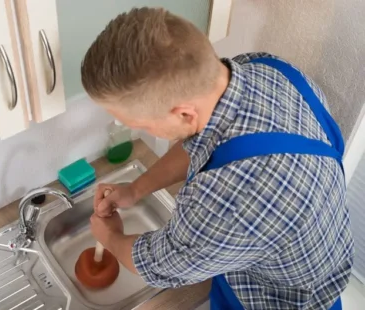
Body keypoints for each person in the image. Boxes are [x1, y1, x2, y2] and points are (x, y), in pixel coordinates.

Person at [81, 7, 354, 310]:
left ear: (184, 113)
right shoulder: (264, 68)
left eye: (140, 124)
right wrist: (134, 190)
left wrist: (111, 237)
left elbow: (160, 264)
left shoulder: (229, 197)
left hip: (276, 300)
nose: (138, 130)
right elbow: (206, 141)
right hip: (301, 253)